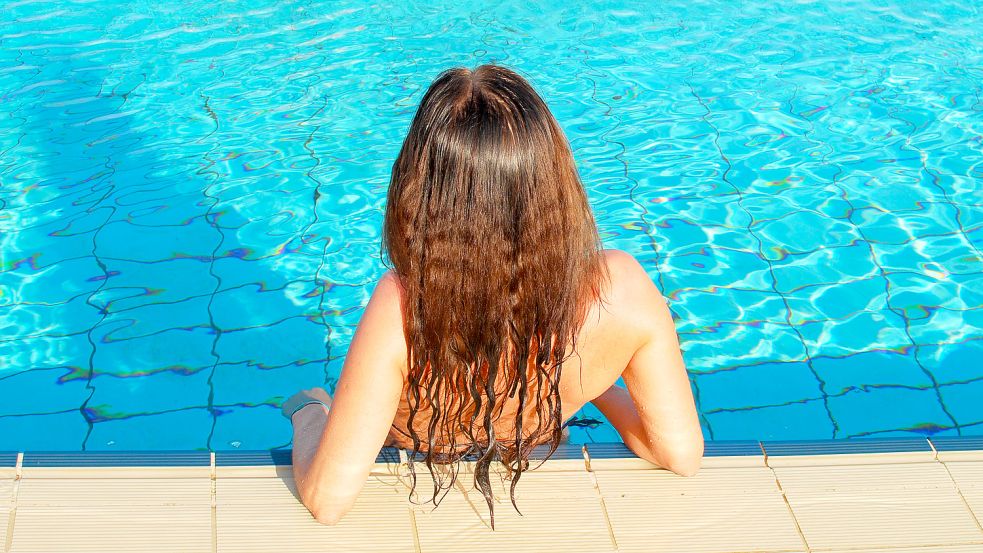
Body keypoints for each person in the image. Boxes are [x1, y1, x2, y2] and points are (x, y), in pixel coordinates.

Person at [281, 64, 703, 527]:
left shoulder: (404, 306)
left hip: (420, 483)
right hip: (545, 484)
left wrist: (309, 411)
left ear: (419, 188)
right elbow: (679, 454)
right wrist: (594, 380)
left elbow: (328, 499)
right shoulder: (621, 288)